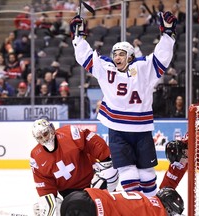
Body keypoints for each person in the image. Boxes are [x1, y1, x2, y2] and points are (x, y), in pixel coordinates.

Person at [70, 10, 177, 197]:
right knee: (128, 174)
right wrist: (78, 37)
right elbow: (85, 56)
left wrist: (167, 34)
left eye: (121, 54)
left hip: (142, 131)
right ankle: (135, 208)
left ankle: (150, 208)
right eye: (115, 54)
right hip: (118, 131)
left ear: (129, 56)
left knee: (147, 174)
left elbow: (161, 57)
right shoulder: (106, 68)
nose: (116, 57)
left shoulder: (142, 67)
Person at [30, 119, 118, 215]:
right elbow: (44, 185)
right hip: (69, 194)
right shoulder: (36, 157)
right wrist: (48, 203)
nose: (44, 139)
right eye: (40, 137)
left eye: (45, 134)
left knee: (109, 179)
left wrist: (106, 158)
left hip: (92, 181)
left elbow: (92, 142)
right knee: (49, 207)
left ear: (52, 129)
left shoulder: (70, 133)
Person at [60, 187, 184, 216]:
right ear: (167, 207)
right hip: (92, 209)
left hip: (76, 197)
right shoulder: (157, 211)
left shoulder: (143, 198)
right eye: (171, 213)